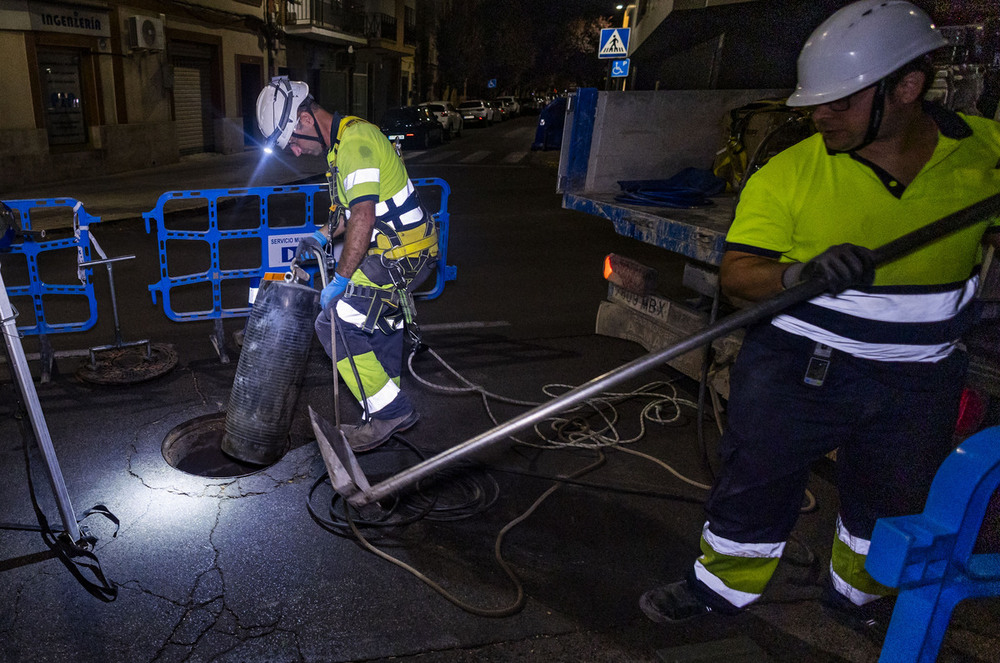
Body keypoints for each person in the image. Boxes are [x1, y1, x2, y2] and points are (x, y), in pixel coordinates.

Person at [639, 0, 1000, 629]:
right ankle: (721, 591)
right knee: (754, 485)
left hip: (919, 378)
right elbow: (738, 276)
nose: (817, 114)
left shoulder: (986, 157)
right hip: (801, 367)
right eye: (816, 100)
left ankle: (860, 594)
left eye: (841, 100)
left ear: (907, 88)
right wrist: (796, 276)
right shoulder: (790, 173)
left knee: (888, 503)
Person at [255, 77, 438, 452]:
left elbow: (363, 217)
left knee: (334, 320)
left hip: (402, 255)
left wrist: (340, 279)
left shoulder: (355, 143)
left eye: (291, 141)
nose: (295, 152)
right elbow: (352, 211)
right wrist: (323, 234)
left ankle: (391, 412)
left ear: (305, 120)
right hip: (401, 249)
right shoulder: (343, 143)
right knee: (380, 321)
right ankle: (386, 405)